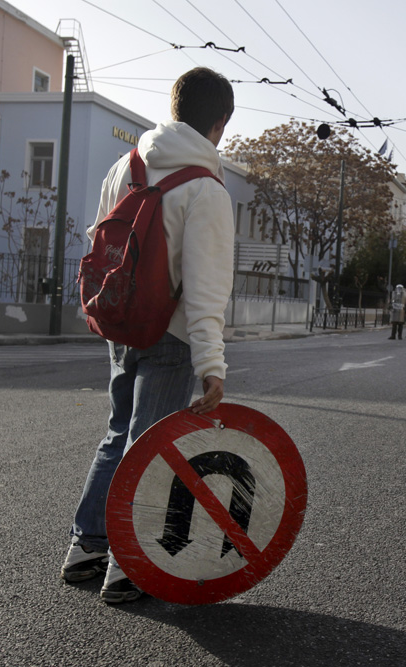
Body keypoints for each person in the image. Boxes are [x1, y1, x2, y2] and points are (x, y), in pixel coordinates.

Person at [60, 67, 235, 604]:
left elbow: (99, 241)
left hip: (124, 325)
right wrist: (213, 365)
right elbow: (206, 291)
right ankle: (127, 567)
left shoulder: (126, 165)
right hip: (171, 334)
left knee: (119, 434)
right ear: (219, 123)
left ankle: (87, 545)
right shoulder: (206, 189)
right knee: (150, 448)